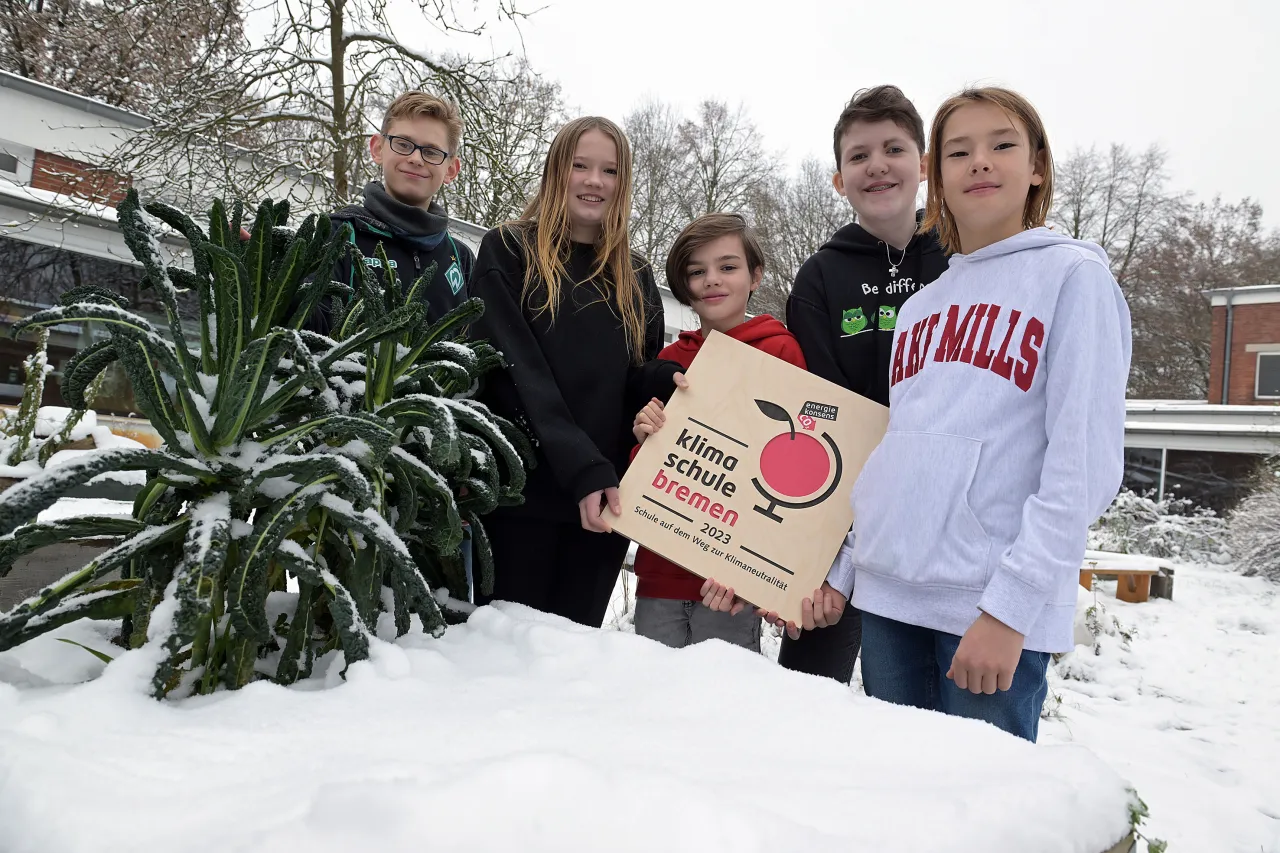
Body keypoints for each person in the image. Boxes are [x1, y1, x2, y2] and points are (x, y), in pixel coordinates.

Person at [749, 86, 1131, 742]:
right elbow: (896, 456)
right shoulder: (923, 309)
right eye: (960, 151)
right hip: (890, 600)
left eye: (1001, 145)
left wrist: (1010, 610)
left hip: (988, 610)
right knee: (901, 805)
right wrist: (843, 569)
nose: (980, 161)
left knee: (985, 817)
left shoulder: (1073, 279)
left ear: (1037, 165)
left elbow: (1082, 467)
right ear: (941, 172)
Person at [469, 116, 683, 628]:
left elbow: (629, 382)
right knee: (506, 662)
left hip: (602, 508)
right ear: (555, 171)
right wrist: (581, 466)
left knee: (574, 675)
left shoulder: (635, 275)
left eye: (608, 170)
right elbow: (517, 373)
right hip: (521, 497)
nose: (594, 181)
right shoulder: (509, 250)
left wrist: (669, 380)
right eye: (580, 166)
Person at [778, 85, 949, 684]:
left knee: (923, 702)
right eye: (858, 156)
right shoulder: (820, 276)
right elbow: (817, 407)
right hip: (849, 521)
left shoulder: (963, 260)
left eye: (893, 149)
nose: (876, 165)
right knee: (809, 682)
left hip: (944, 524)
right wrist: (815, 546)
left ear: (923, 166)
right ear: (838, 178)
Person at [628, 214, 806, 652]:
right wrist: (643, 437)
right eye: (697, 271)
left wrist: (758, 573)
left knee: (722, 708)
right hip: (661, 572)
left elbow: (791, 468)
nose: (712, 280)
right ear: (685, 284)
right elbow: (646, 471)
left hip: (730, 584)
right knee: (647, 703)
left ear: (755, 275)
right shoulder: (669, 358)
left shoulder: (780, 350)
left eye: (727, 267)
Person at [304, 90, 474, 336]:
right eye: (403, 144)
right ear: (378, 149)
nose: (416, 158)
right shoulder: (337, 234)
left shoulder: (461, 259)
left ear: (451, 169)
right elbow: (305, 327)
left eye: (432, 152)